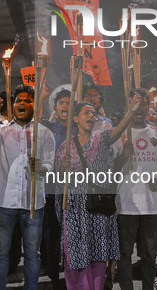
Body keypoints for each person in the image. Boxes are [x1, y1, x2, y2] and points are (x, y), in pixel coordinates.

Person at [56, 98, 139, 289]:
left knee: (98, 257)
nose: (91, 116)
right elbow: (59, 183)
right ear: (75, 118)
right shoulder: (65, 147)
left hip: (97, 209)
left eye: (94, 113)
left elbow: (117, 131)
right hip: (75, 211)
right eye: (86, 112)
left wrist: (131, 112)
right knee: (76, 256)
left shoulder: (101, 138)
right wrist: (63, 170)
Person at [0, 85, 55, 290]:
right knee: (0, 253)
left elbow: (50, 165)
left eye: (27, 100)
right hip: (4, 202)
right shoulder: (1, 130)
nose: (22, 103)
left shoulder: (45, 133)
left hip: (34, 203)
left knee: (32, 254)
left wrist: (41, 167)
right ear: (12, 105)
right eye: (18, 100)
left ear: (34, 105)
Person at [116, 88, 157, 290]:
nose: (139, 108)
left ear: (149, 107)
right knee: (124, 253)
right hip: (126, 204)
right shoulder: (119, 133)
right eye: (135, 103)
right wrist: (123, 155)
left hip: (152, 204)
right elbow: (109, 170)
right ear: (128, 106)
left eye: (143, 103)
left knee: (149, 254)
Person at [39, 88, 71, 287]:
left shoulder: (78, 128)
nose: (65, 106)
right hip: (51, 187)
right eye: (62, 103)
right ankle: (51, 271)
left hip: (72, 188)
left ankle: (70, 269)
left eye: (69, 103)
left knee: (70, 232)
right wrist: (41, 97)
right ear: (55, 107)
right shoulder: (47, 127)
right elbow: (36, 119)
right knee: (52, 231)